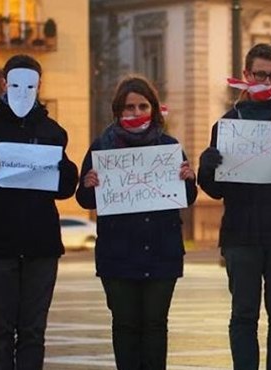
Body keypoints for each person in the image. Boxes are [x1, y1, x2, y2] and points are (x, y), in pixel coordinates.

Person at [197, 43, 271, 370]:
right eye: (260, 74)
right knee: (243, 316)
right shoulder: (226, 125)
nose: (266, 81)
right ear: (246, 76)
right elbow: (215, 189)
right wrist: (205, 168)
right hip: (241, 235)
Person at [0, 54, 79, 369]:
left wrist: (67, 170)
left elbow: (64, 187)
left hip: (41, 245)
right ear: (3, 84)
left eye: (31, 84)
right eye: (15, 83)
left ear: (39, 86)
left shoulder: (52, 131)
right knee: (0, 330)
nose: (23, 91)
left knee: (33, 331)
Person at [75, 76, 198, 370]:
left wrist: (189, 179)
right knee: (125, 325)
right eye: (129, 107)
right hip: (118, 254)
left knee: (156, 325)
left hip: (161, 253)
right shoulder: (101, 147)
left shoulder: (169, 146)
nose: (136, 112)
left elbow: (187, 197)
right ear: (118, 110)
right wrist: (88, 184)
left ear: (153, 109)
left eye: (142, 106)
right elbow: (85, 199)